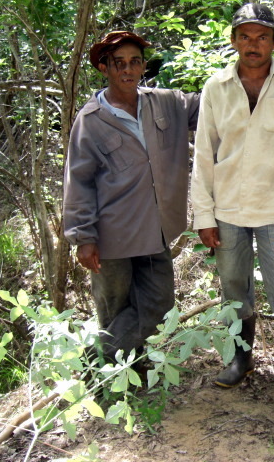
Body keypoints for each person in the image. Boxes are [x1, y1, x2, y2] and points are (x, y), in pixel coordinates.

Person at [191, 4, 274, 413]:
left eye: (261, 37)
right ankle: (240, 359)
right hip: (228, 209)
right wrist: (203, 214)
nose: (253, 45)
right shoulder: (216, 87)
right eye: (245, 37)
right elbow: (204, 155)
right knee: (234, 290)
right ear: (233, 41)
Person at [63, 31, 199, 366]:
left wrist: (244, 75)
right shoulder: (91, 120)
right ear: (104, 68)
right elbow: (78, 181)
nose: (128, 69)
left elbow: (211, 103)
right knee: (114, 308)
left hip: (156, 230)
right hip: (112, 237)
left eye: (135, 62)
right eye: (119, 63)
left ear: (143, 67)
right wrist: (83, 237)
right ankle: (121, 375)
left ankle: (97, 365)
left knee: (158, 303)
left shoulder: (165, 102)